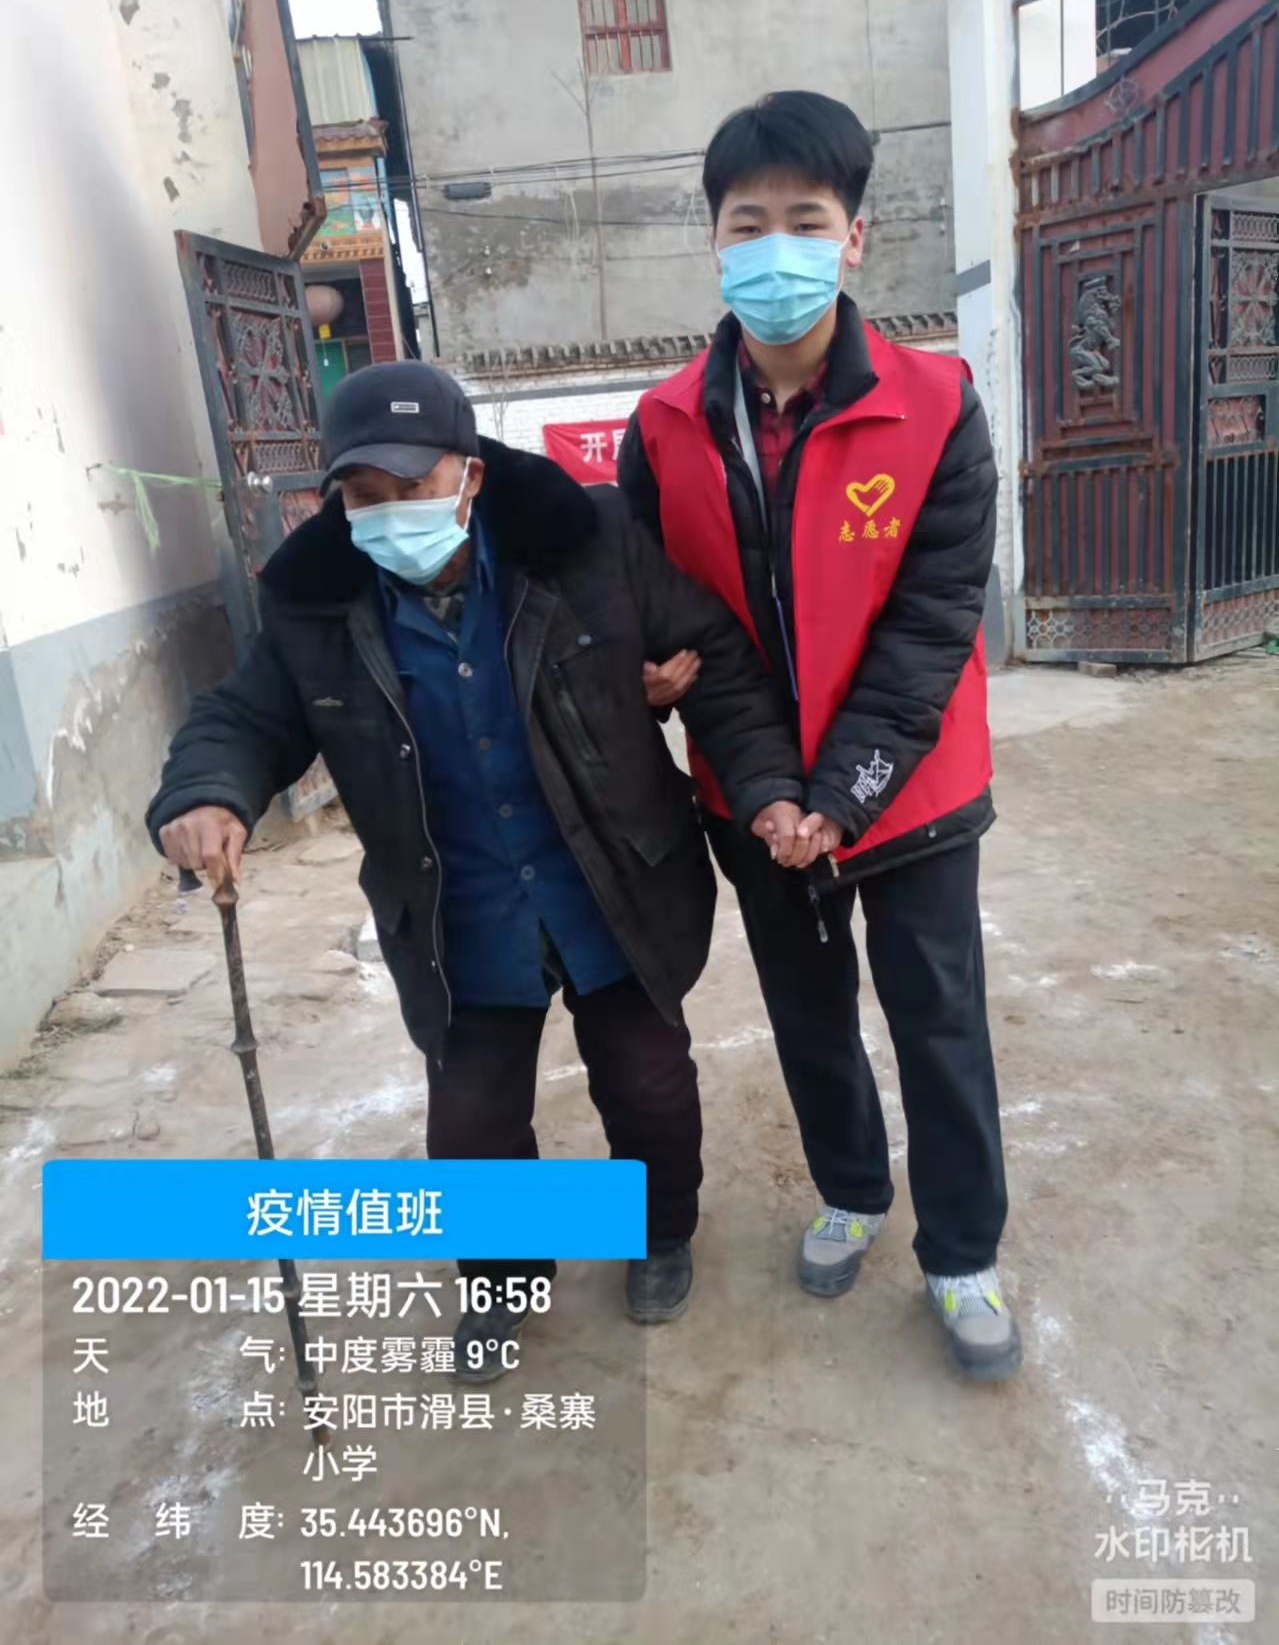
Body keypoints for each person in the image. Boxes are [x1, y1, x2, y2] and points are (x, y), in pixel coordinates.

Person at [147, 360, 816, 1375]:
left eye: (412, 486)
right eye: (363, 494)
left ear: (469, 474)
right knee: (469, 1127)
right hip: (457, 906)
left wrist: (765, 783)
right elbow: (242, 717)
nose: (389, 512)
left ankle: (656, 1233)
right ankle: (505, 1278)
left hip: (610, 878)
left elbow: (712, 655)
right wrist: (207, 793)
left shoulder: (585, 543)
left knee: (647, 1084)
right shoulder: (314, 603)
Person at [617, 91, 1020, 1380]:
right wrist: (657, 688)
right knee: (808, 1013)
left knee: (937, 1018)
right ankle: (851, 1186)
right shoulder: (662, 428)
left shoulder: (936, 405)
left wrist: (839, 792)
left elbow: (931, 627)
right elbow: (653, 608)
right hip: (749, 794)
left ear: (854, 237)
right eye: (749, 223)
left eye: (806, 219)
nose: (775, 248)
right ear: (714, 241)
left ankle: (961, 1250)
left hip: (913, 793)